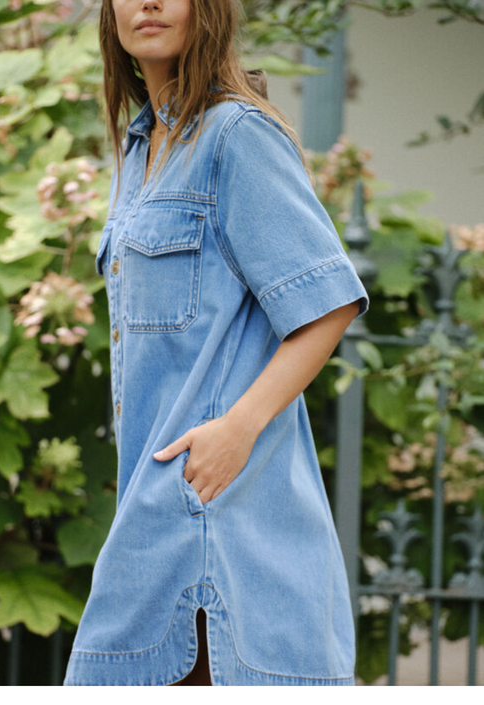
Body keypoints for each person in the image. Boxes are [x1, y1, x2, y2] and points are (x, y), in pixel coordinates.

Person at [63, 0, 370, 687]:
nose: (148, 2)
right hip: (150, 518)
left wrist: (238, 427)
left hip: (218, 530)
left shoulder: (236, 134)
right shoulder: (140, 150)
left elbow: (328, 301)